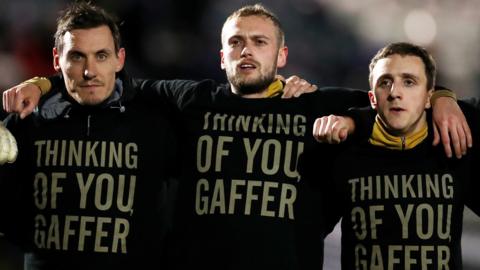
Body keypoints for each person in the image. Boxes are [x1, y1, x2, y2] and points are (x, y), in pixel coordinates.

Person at [1, 4, 472, 270]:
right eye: (235, 43)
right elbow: (95, 82)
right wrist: (40, 83)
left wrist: (443, 96)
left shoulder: (311, 103)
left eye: (260, 42)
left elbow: (395, 95)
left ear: (283, 55)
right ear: (221, 56)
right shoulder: (188, 100)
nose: (246, 50)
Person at [0, 2, 179, 270]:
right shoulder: (26, 121)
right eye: (77, 56)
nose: (89, 71)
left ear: (120, 58)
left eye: (102, 56)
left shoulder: (155, 121)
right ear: (56, 60)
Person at [304, 42, 480, 269]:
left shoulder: (453, 148)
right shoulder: (343, 154)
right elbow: (301, 232)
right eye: (385, 82)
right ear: (373, 98)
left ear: (429, 97)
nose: (395, 93)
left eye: (409, 82)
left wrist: (447, 98)